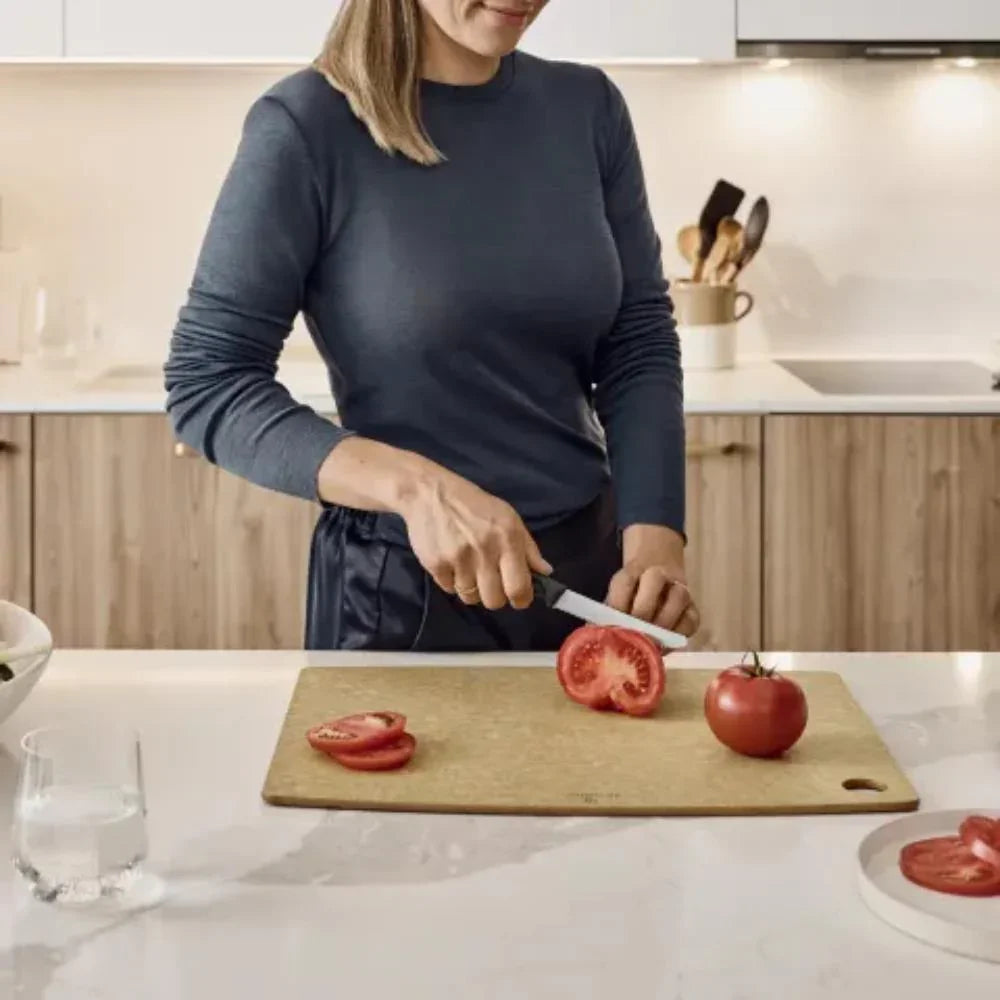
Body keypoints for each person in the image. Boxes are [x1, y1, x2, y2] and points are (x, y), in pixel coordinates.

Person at [163, 0, 699, 651]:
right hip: (401, 596)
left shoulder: (588, 108)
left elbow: (635, 342)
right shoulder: (306, 125)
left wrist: (655, 538)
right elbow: (208, 382)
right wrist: (415, 488)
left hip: (589, 578)